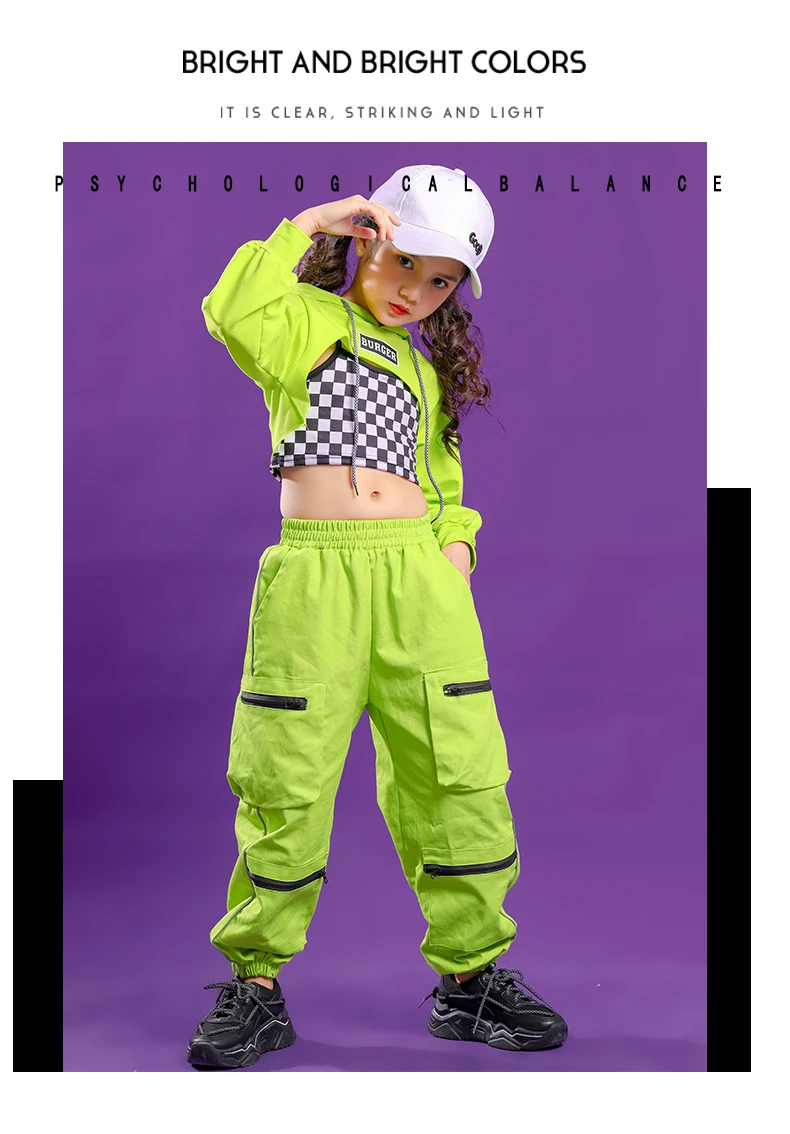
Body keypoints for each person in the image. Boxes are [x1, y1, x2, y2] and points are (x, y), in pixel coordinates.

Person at [187, 165, 568, 1069]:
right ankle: (256, 985)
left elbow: (443, 485)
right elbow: (232, 310)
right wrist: (304, 224)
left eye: (440, 281)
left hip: (418, 588)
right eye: (405, 263)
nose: (416, 293)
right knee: (285, 774)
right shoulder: (306, 322)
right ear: (365, 239)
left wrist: (454, 552)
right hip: (316, 581)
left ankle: (471, 980)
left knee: (456, 775)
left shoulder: (426, 373)